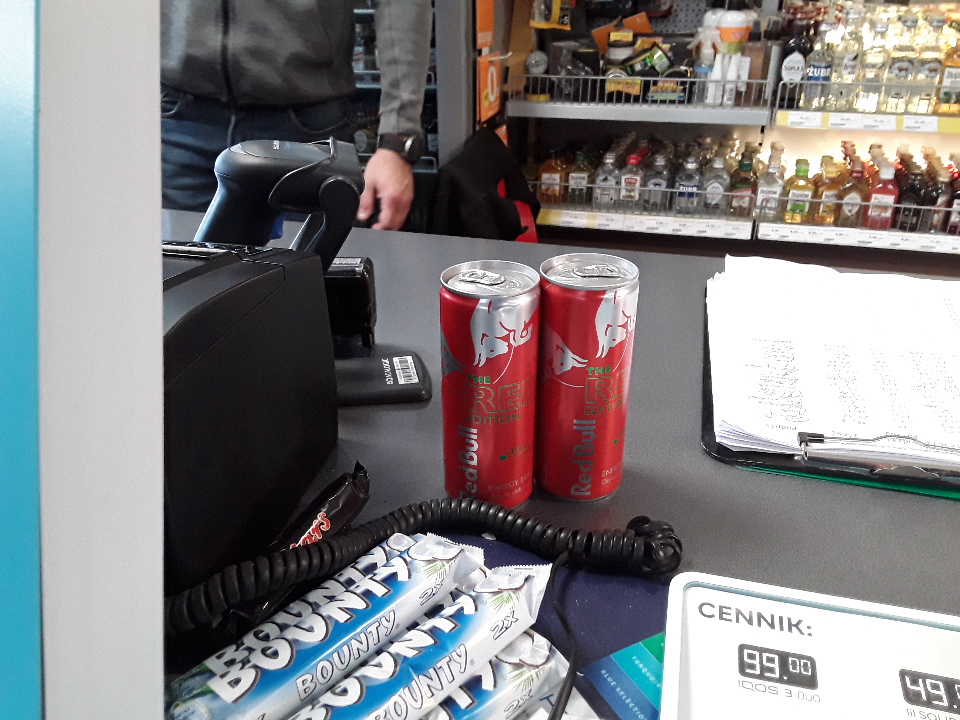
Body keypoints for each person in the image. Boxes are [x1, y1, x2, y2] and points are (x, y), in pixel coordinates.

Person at [160, 0, 432, 230]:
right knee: (180, 273)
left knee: (306, 274)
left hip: (305, 131)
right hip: (180, 126)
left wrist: (398, 140)